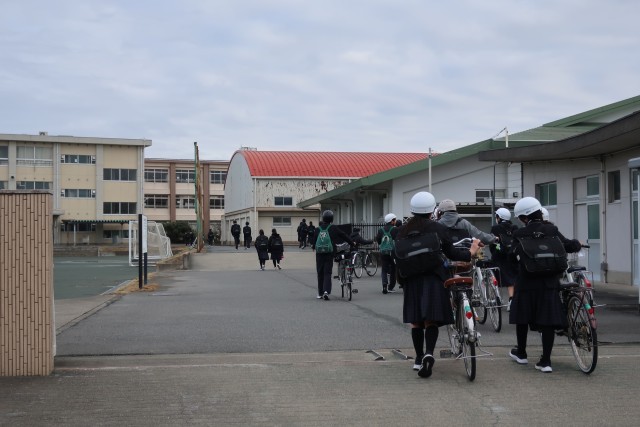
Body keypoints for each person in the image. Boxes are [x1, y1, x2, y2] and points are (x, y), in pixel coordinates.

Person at [397, 192, 481, 377]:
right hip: (433, 278)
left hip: (411, 280)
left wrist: (401, 281)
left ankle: (418, 359)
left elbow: (399, 258)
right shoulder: (438, 228)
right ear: (431, 210)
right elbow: (452, 253)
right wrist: (471, 251)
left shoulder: (402, 231)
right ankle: (429, 353)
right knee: (431, 320)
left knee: (416, 322)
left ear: (412, 209)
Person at [508, 197, 582, 373]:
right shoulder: (551, 230)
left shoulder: (519, 234)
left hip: (526, 282)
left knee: (522, 318)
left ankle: (521, 353)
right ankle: (546, 361)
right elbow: (568, 245)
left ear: (523, 217)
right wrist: (577, 244)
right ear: (539, 212)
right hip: (549, 283)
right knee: (547, 320)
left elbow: (511, 257)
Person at [313, 210, 356, 300]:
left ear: (323, 218)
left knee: (320, 273)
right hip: (329, 253)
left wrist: (314, 247)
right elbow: (344, 235)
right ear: (332, 219)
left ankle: (320, 293)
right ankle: (326, 291)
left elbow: (314, 242)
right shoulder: (333, 228)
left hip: (319, 254)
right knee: (327, 273)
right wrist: (352, 243)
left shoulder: (317, 229)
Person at [490, 208, 518, 311]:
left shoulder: (495, 228)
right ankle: (511, 300)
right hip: (512, 256)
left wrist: (496, 251)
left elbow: (493, 244)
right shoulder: (514, 227)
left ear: (499, 217)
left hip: (499, 258)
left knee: (495, 278)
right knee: (512, 280)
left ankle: (496, 298)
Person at [376, 213, 399, 294]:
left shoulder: (380, 230)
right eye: (394, 220)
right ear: (391, 221)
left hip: (383, 252)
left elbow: (378, 241)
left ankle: (384, 286)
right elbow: (398, 240)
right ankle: (391, 287)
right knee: (393, 269)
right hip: (392, 252)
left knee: (384, 269)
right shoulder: (395, 229)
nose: (395, 221)